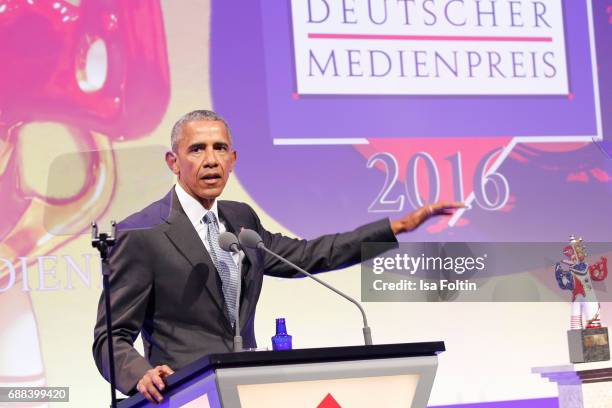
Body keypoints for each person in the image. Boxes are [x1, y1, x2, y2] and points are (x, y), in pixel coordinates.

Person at [92, 110, 464, 403]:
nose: (210, 160)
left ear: (233, 158)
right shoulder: (142, 233)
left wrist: (396, 228)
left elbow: (307, 255)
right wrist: (139, 373)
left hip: (248, 390)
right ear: (173, 161)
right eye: (197, 149)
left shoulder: (240, 220)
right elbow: (110, 335)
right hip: (186, 395)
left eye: (219, 148)